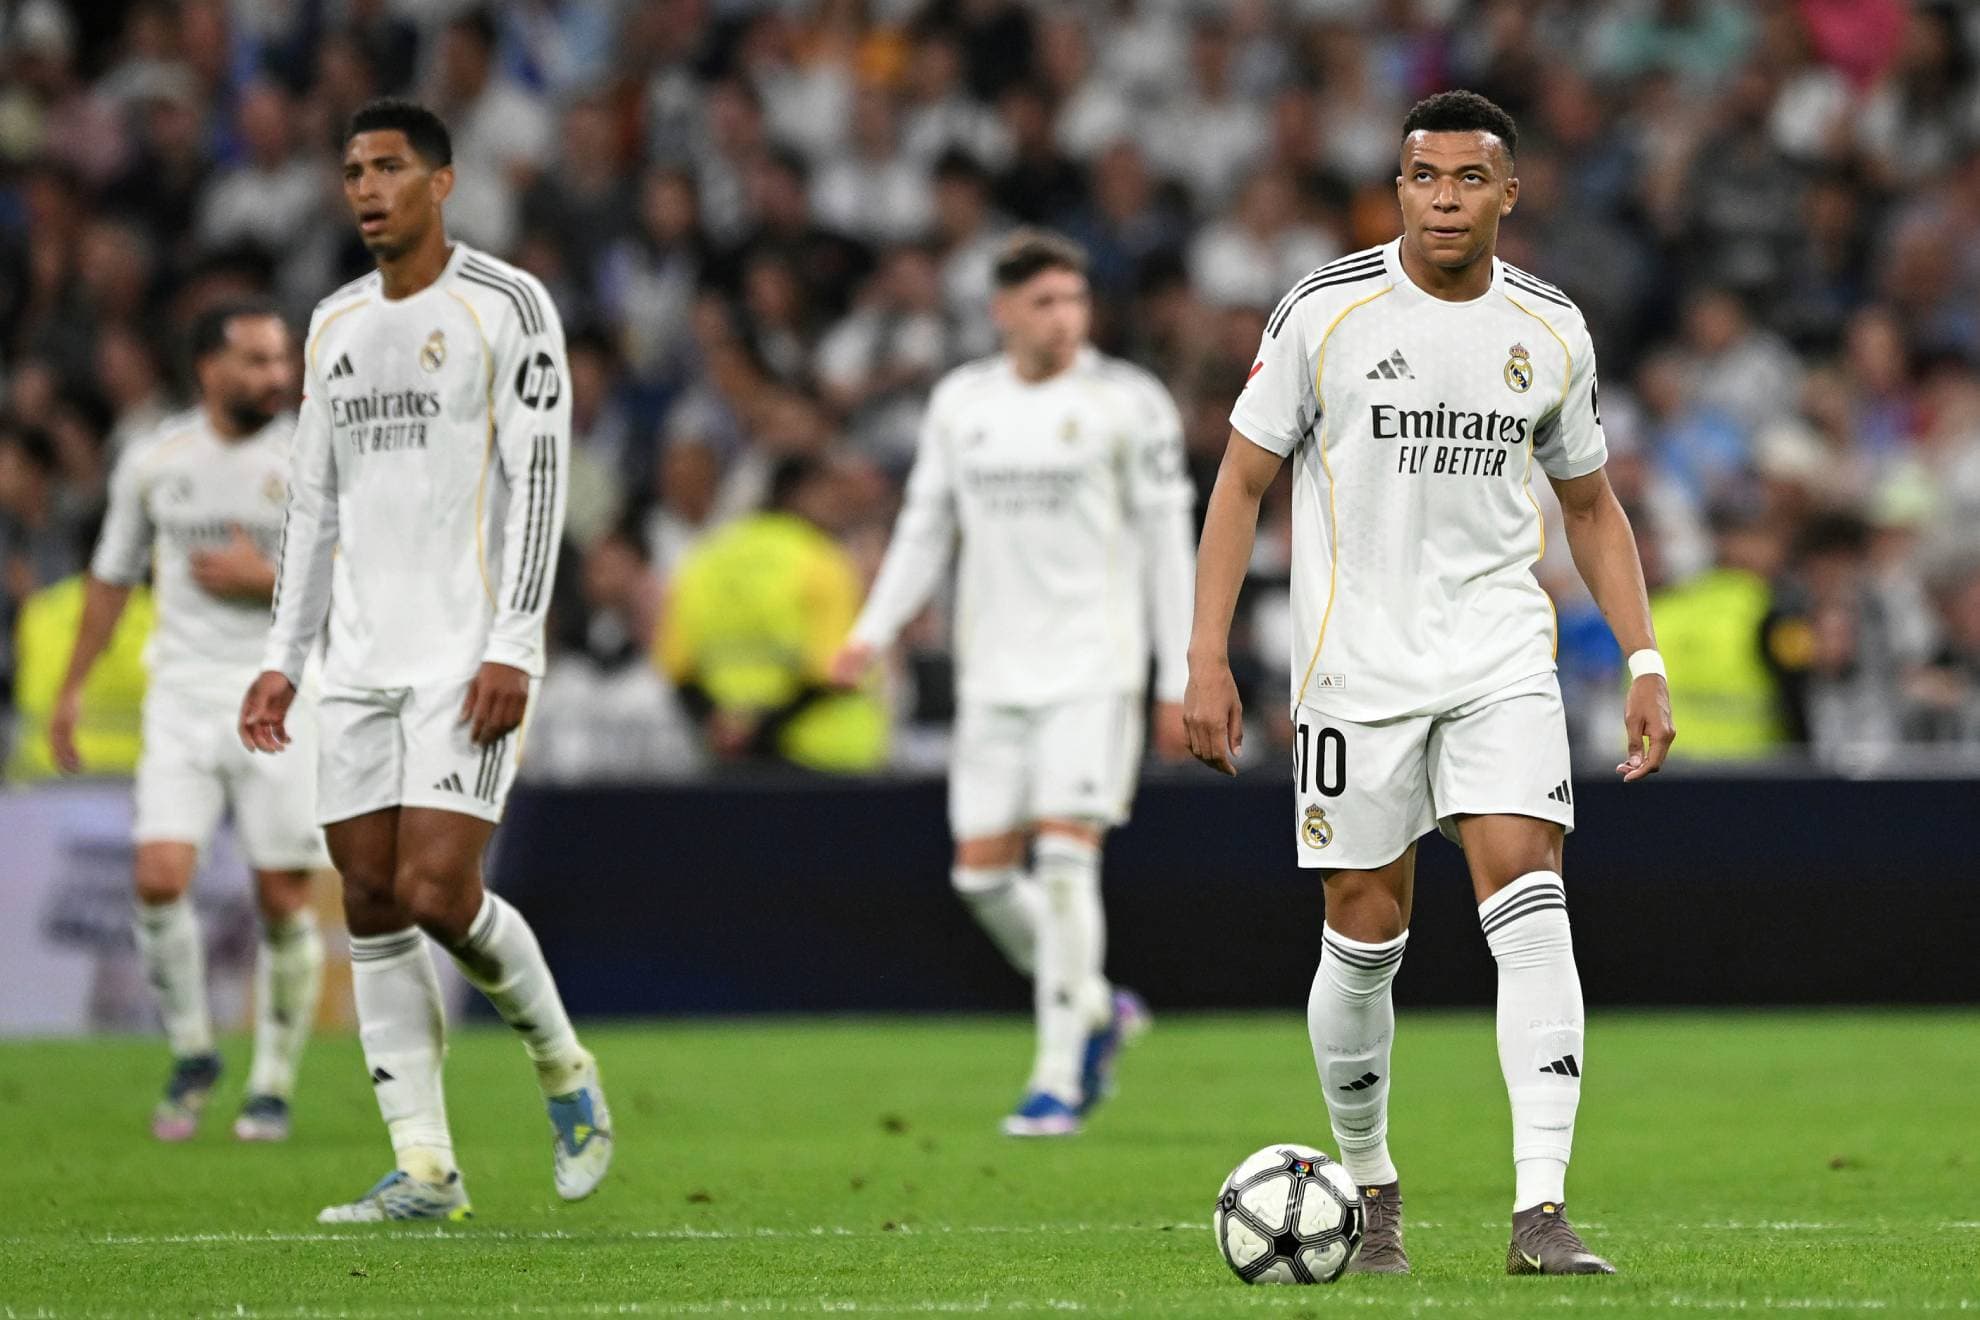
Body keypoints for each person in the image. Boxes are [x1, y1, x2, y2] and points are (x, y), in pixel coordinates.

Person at [1184, 91, 1674, 1277]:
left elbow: (1592, 505)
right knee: (1365, 926)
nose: (1442, 198)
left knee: (1531, 887)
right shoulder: (1326, 309)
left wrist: (1646, 656)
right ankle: (1370, 1187)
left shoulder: (1551, 327)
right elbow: (1242, 484)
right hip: (1357, 667)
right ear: (1396, 188)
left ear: (1510, 193)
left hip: (1502, 654)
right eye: (1422, 177)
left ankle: (1541, 1212)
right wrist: (1202, 658)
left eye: (1467, 179)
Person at [237, 99, 611, 1222]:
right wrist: (282, 657)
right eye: (352, 169)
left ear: (441, 183)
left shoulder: (508, 305)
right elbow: (311, 502)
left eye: (389, 167)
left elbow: (542, 483)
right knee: (366, 900)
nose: (365, 187)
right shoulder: (335, 323)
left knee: (439, 891)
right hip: (356, 657)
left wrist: (516, 642)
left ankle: (564, 1069)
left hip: (467, 651)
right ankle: (427, 1168)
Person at [831, 230, 1196, 1137]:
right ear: (1001, 312)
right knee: (981, 880)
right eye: (1044, 302)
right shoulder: (964, 403)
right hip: (991, 674)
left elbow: (1166, 545)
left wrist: (1180, 673)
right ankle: (1099, 1005)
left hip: (1092, 669)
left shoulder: (1127, 402)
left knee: (1069, 865)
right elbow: (924, 527)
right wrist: (871, 633)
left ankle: (1057, 1078)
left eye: (1076, 299)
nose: (1065, 317)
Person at [51, 300, 328, 1145]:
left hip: (281, 691)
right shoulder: (153, 459)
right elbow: (111, 576)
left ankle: (273, 1082)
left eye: (281, 360)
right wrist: (71, 689)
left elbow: (358, 579)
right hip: (180, 696)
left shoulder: (314, 457)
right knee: (158, 878)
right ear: (208, 367)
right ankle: (193, 1050)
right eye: (255, 360)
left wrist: (266, 582)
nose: (276, 376)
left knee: (283, 897)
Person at [660, 456, 889, 772]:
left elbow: (677, 668)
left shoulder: (705, 558)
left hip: (731, 758)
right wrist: (762, 729)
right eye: (830, 495)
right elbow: (836, 670)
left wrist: (731, 729)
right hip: (825, 758)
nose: (839, 507)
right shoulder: (821, 559)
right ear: (797, 494)